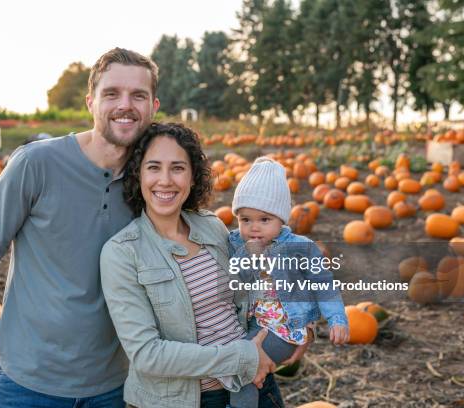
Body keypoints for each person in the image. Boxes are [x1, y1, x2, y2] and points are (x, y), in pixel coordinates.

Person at [0, 48, 160, 408]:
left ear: (153, 105)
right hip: (29, 382)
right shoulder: (37, 163)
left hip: (113, 384)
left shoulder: (153, 182)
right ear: (91, 102)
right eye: (112, 94)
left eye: (138, 95)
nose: (126, 105)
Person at [100, 123, 309, 408]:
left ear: (193, 177)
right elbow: (148, 355)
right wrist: (244, 356)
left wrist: (296, 326)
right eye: (153, 167)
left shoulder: (212, 226)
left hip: (254, 383)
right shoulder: (122, 253)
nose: (165, 180)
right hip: (187, 399)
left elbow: (258, 289)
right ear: (138, 175)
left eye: (177, 168)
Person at [226, 156, 350, 408]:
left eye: (264, 219)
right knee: (236, 363)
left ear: (282, 219)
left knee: (244, 368)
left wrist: (337, 319)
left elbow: (324, 285)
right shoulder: (237, 244)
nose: (254, 228)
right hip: (254, 325)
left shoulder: (300, 248)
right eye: (245, 219)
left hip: (284, 329)